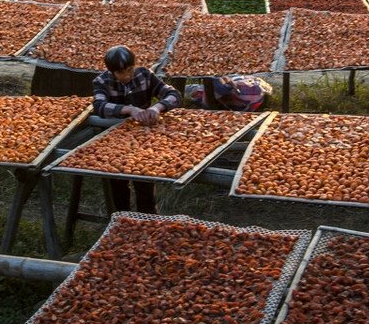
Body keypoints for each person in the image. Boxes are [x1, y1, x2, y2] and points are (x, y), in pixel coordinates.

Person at [91, 45, 181, 214]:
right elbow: (99, 106)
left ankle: (147, 222)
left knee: (144, 183)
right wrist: (129, 109)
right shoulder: (102, 81)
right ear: (111, 72)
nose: (126, 75)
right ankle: (122, 221)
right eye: (120, 73)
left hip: (143, 140)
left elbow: (174, 95)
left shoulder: (145, 75)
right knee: (118, 184)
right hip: (114, 141)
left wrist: (157, 108)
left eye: (129, 70)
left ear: (135, 65)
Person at [186, 75, 272, 112]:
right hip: (227, 92)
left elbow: (209, 104)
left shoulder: (251, 96)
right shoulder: (238, 85)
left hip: (245, 100)